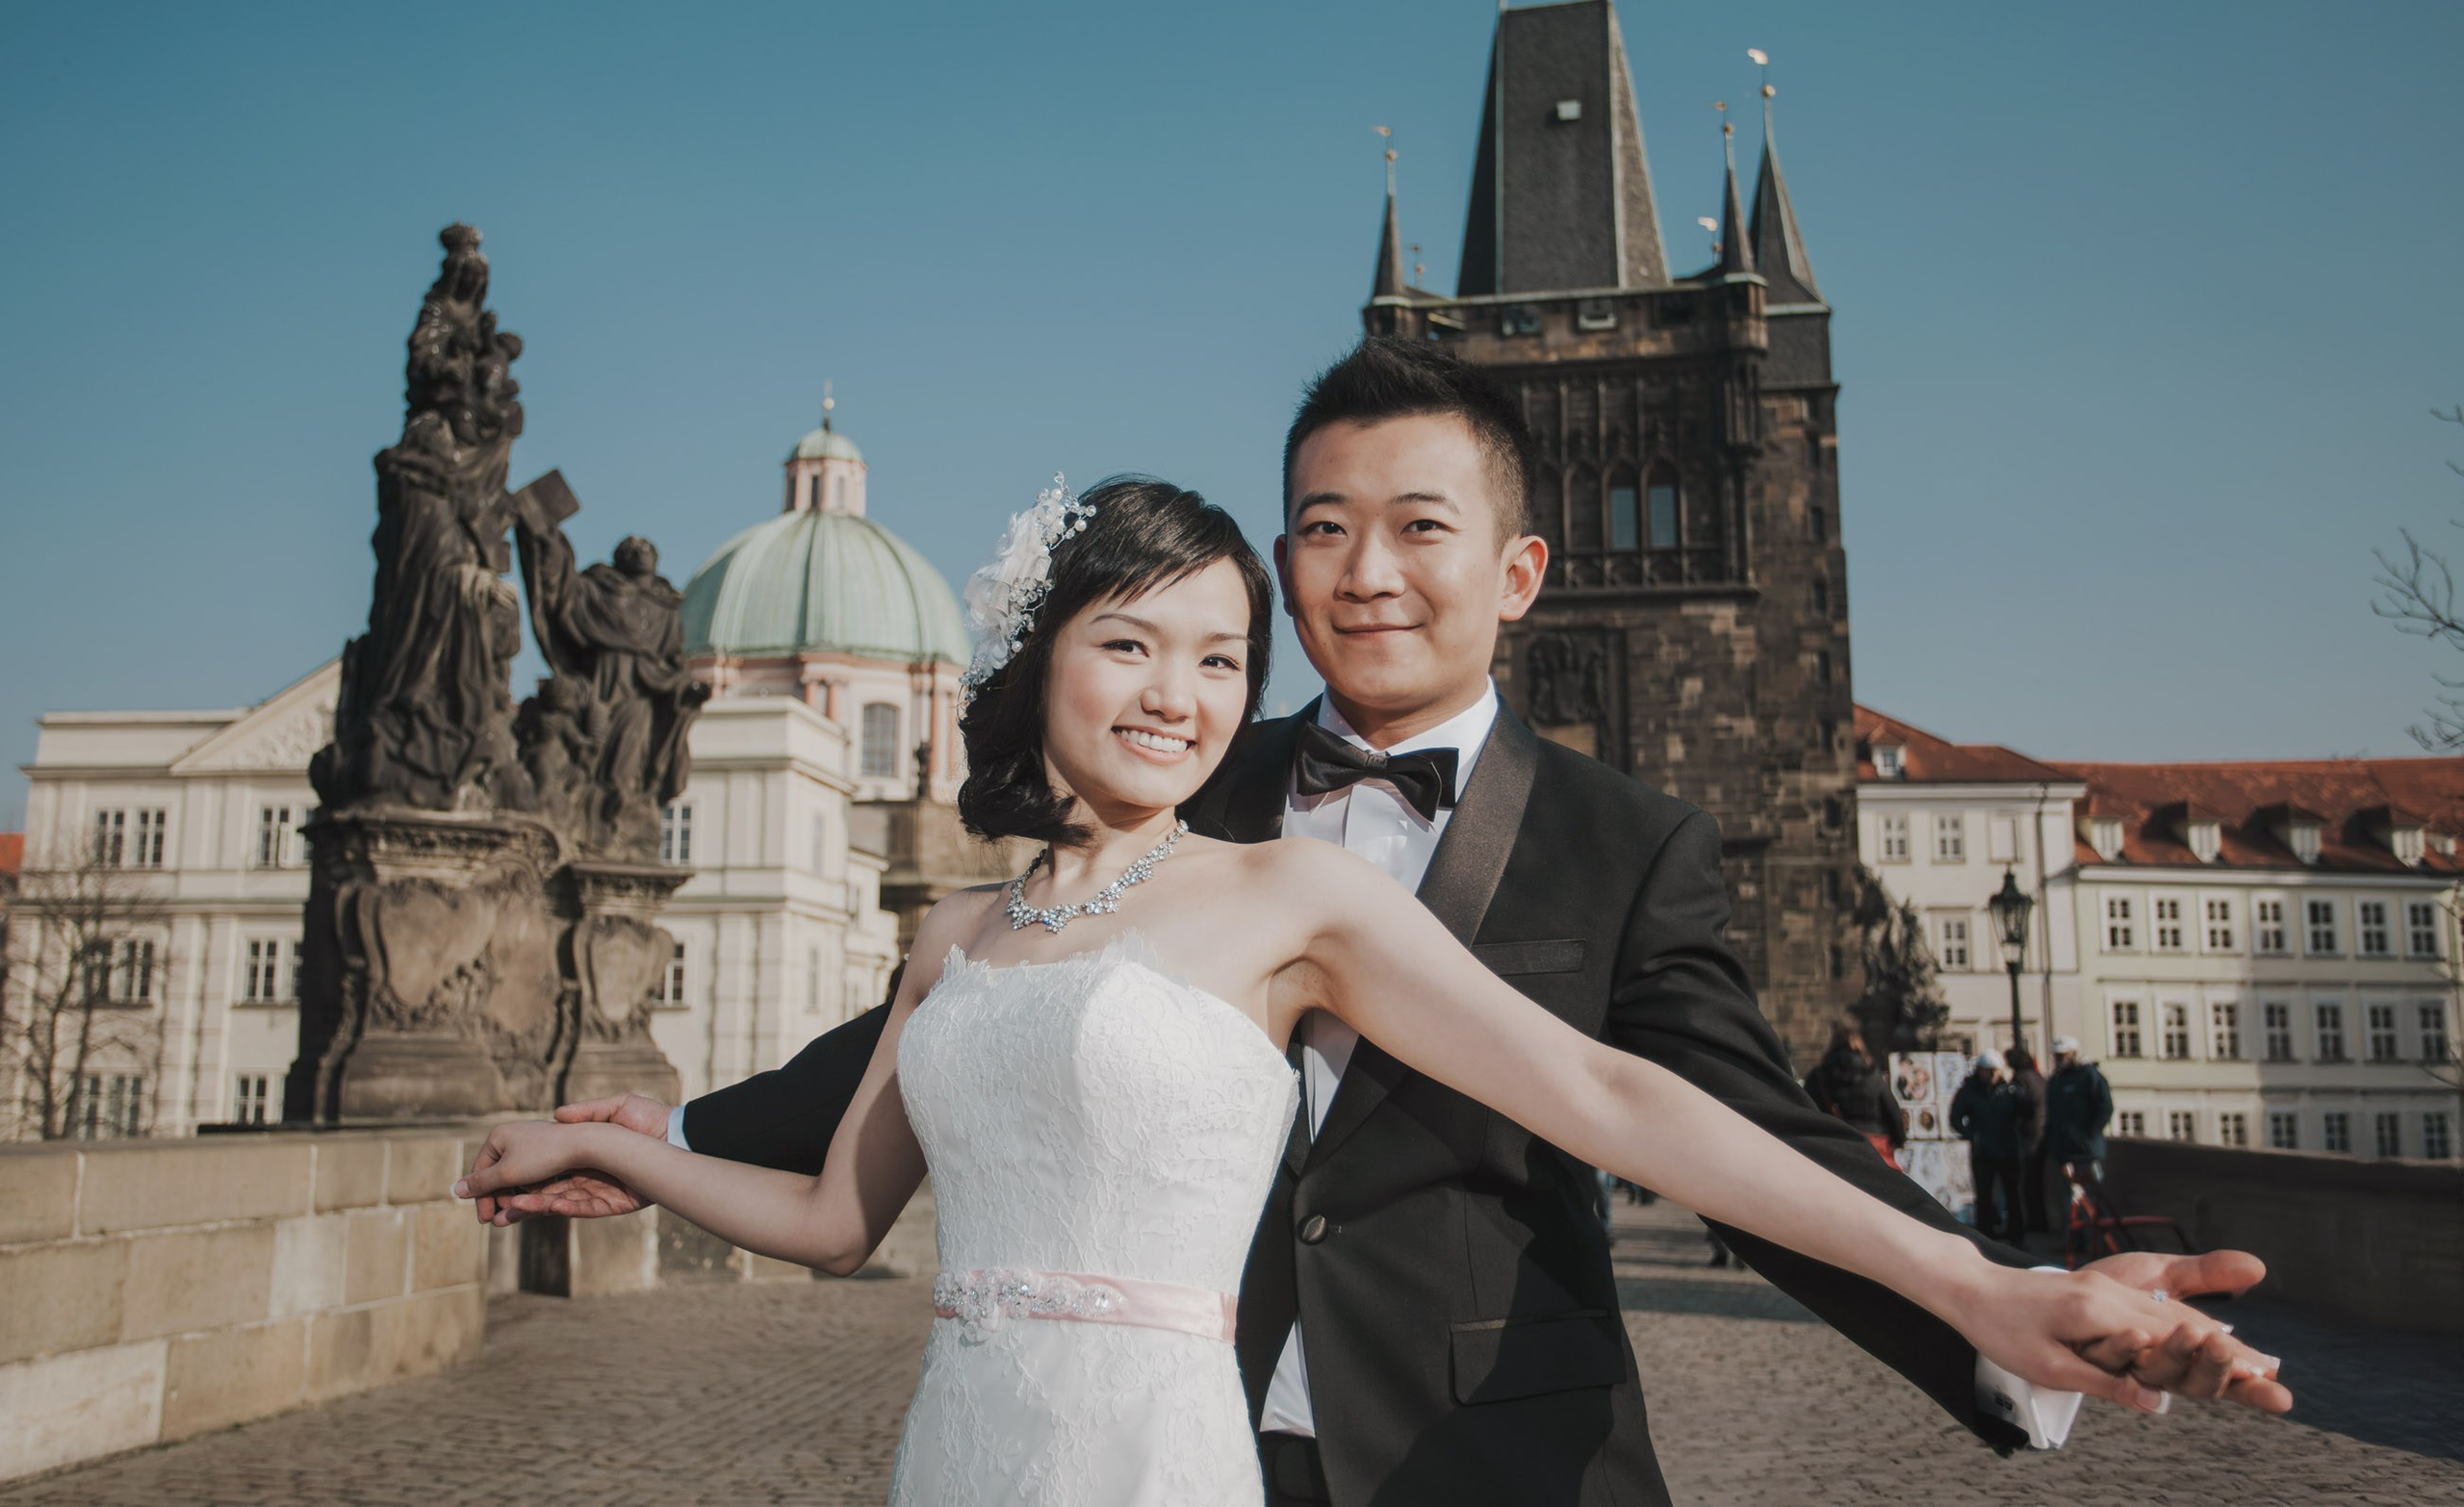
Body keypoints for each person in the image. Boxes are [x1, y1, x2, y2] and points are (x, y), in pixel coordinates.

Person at [462, 343, 2287, 1503]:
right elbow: (927, 1046)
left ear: (1516, 575)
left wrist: (1990, 1291)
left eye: (1416, 526)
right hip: (1168, 1426)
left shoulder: (1623, 841)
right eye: (1320, 529)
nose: (1363, 571)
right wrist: (666, 1135)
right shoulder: (1189, 785)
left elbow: (1706, 1120)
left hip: (1489, 1447)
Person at [1804, 1026, 1907, 1167]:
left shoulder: (1819, 1076)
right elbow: (1892, 1111)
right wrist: (1899, 1140)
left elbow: (1807, 1111)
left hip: (1835, 1146)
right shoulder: (1873, 1076)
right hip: (1874, 1147)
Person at [1952, 1052, 2025, 1244]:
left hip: (2008, 1150)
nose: (1993, 1075)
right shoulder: (1970, 1090)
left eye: (1996, 1072)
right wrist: (1972, 1135)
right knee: (1983, 1196)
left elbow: (2027, 1112)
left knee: (2013, 1195)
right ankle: (1985, 1238)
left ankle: (2016, 1236)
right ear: (1980, 1071)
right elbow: (1955, 1117)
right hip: (1983, 1152)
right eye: (1989, 1071)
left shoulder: (2009, 1090)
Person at [2046, 1035, 2117, 1187]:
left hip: (2086, 1153)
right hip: (2064, 1153)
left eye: (2062, 1056)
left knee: (2093, 1197)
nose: (2058, 1060)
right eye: (2056, 1056)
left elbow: (2105, 1107)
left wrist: (2088, 1134)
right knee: (2070, 1202)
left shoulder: (2089, 1076)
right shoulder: (2055, 1081)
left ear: (2073, 1054)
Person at [2009, 1046, 2052, 1236]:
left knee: (2029, 1183)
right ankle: (2040, 1221)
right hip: (2043, 1132)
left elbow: (2021, 1106)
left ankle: (2035, 1223)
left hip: (2030, 1135)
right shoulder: (2039, 1078)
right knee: (2038, 1182)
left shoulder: (2021, 1079)